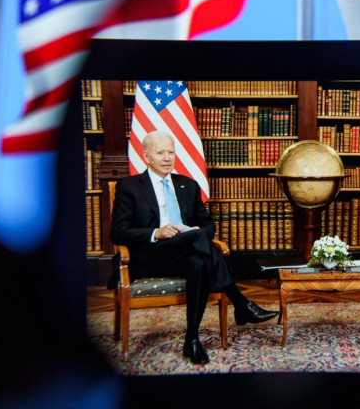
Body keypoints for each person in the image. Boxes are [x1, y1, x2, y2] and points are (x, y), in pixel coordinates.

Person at [110, 131, 279, 365]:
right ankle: (241, 303)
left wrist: (195, 233)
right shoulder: (129, 187)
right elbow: (117, 232)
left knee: (199, 258)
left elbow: (208, 226)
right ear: (146, 156)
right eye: (160, 153)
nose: (167, 158)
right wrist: (156, 232)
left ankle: (192, 339)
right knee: (199, 242)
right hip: (151, 258)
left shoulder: (188, 185)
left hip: (186, 255)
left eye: (171, 152)